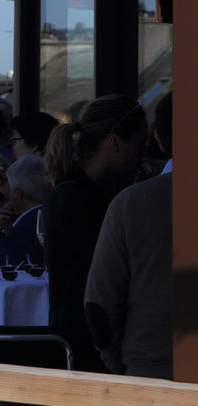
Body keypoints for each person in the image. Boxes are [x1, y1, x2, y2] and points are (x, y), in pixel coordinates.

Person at [43, 95, 147, 372]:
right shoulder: (79, 200)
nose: (142, 157)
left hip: (78, 343)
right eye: (140, 146)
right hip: (86, 350)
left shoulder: (73, 192)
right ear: (115, 143)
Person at [84, 92, 171, 379]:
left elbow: (100, 303)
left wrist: (122, 364)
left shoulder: (131, 203)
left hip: (152, 371)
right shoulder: (128, 201)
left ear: (158, 139)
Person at [0, 154, 49, 268]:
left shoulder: (22, 234)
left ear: (18, 195)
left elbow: (0, 266)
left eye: (11, 191)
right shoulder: (52, 217)